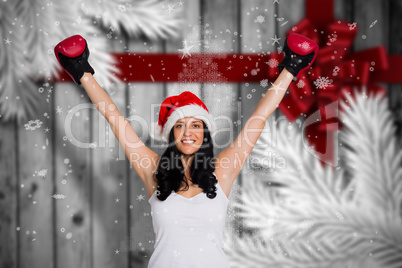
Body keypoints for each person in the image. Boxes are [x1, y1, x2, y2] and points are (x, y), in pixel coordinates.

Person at [54, 33, 318, 268]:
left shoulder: (222, 171)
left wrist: (290, 68)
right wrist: (82, 72)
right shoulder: (153, 171)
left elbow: (258, 118)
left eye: (195, 125)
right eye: (179, 125)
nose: (188, 132)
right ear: (171, 135)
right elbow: (115, 120)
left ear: (205, 133)